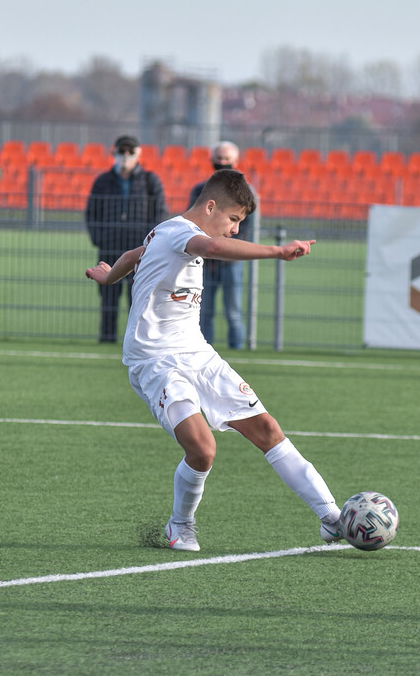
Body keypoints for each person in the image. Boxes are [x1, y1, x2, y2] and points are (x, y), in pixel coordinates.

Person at [85, 168, 342, 551]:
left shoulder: (165, 235)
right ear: (210, 206)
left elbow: (133, 255)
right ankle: (179, 526)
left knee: (268, 429)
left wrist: (110, 278)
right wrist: (277, 251)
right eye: (234, 219)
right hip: (156, 362)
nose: (236, 229)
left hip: (198, 353)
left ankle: (333, 518)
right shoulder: (180, 233)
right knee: (203, 450)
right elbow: (215, 249)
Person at [85, 135, 168, 343]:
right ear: (115, 153)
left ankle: (137, 342)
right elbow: (92, 214)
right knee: (109, 300)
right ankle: (107, 339)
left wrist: (149, 245)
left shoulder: (150, 181)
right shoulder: (103, 181)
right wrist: (100, 239)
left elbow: (159, 213)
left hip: (140, 252)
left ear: (138, 154)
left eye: (131, 152)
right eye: (122, 151)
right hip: (110, 249)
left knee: (139, 300)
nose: (126, 156)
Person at [188, 141, 249, 348]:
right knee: (204, 311)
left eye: (227, 159)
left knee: (233, 311)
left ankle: (238, 349)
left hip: (231, 261)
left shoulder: (245, 192)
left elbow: (246, 229)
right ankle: (203, 349)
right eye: (219, 159)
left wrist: (225, 246)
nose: (222, 163)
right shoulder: (200, 190)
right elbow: (193, 221)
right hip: (206, 258)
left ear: (236, 161)